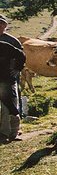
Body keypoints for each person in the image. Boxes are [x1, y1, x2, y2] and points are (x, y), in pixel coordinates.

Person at [0, 14, 26, 143]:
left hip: (8, 79)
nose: (0, 26)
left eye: (2, 24)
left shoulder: (12, 41)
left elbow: (21, 55)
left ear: (5, 25)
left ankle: (12, 132)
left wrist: (17, 69)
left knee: (10, 105)